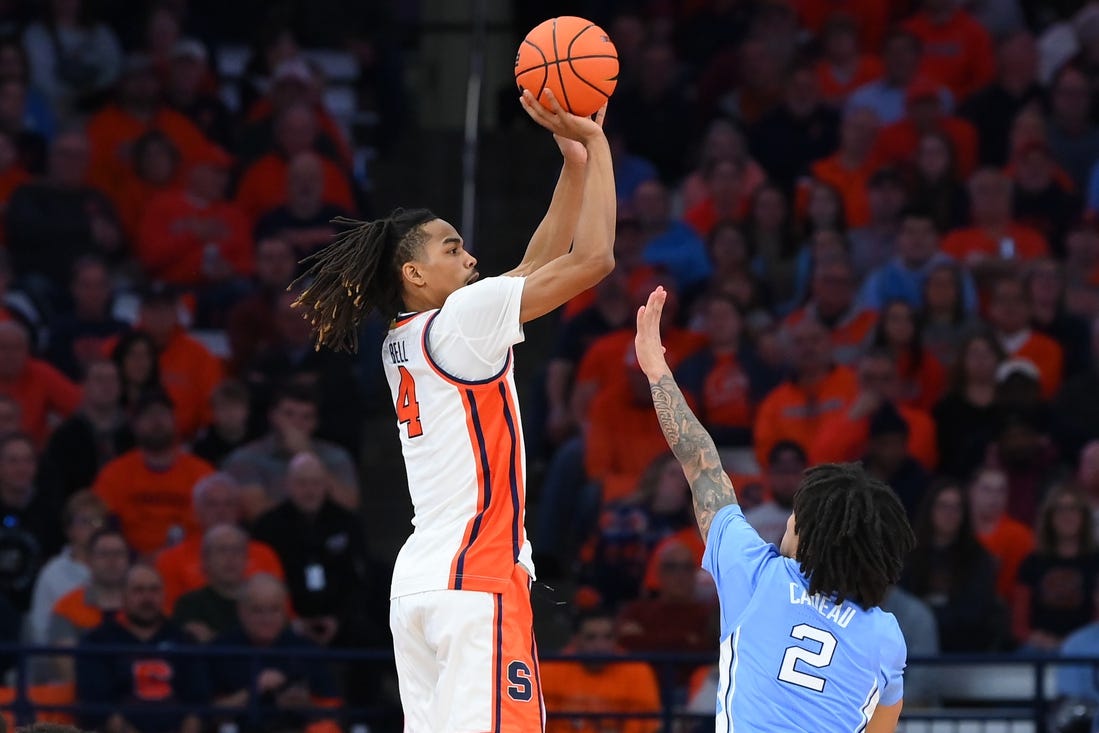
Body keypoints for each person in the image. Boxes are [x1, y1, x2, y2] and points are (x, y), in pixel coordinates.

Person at [289, 89, 614, 732]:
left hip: (419, 587)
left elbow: (530, 267)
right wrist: (602, 147)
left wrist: (573, 168)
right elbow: (594, 259)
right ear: (413, 273)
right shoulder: (461, 323)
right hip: (476, 577)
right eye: (450, 248)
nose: (469, 258)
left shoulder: (404, 341)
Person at [633, 285, 914, 731]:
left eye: (795, 515)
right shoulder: (886, 636)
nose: (786, 520)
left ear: (807, 536)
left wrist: (656, 371)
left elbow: (701, 465)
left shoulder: (756, 574)